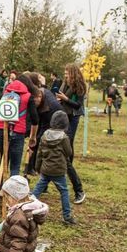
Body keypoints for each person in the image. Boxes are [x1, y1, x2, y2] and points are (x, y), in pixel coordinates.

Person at [32, 110, 76, 225]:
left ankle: (27, 207)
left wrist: (37, 167)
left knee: (37, 190)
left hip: (45, 169)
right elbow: (69, 152)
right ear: (65, 124)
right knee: (64, 191)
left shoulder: (45, 135)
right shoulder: (64, 138)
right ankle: (67, 216)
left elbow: (40, 153)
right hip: (59, 170)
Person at [0, 74, 36, 177]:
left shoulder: (5, 94)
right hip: (17, 131)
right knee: (15, 164)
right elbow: (35, 119)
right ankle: (12, 187)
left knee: (4, 158)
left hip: (0, 130)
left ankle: (0, 185)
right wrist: (33, 136)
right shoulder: (28, 96)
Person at [55, 63, 86, 204]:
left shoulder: (79, 85)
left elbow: (78, 104)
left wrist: (65, 99)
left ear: (73, 73)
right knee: (64, 145)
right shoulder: (64, 84)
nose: (65, 74)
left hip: (73, 116)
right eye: (65, 72)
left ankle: (77, 186)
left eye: (67, 72)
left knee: (67, 143)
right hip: (63, 114)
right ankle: (67, 165)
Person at [25, 85, 63, 177]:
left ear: (40, 97)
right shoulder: (35, 98)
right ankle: (30, 167)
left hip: (53, 118)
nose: (34, 104)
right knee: (35, 138)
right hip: (43, 112)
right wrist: (29, 133)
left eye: (35, 102)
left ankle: (35, 167)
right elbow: (32, 120)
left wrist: (34, 139)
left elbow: (42, 128)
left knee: (39, 140)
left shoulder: (50, 107)